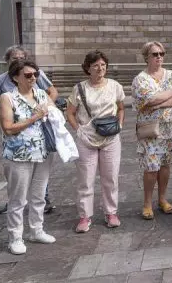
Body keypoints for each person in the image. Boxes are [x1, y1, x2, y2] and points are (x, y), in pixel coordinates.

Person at [0, 45, 58, 215]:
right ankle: (14, 203)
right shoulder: (2, 82)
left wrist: (46, 108)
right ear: (8, 62)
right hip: (15, 138)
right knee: (17, 179)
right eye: (15, 58)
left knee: (39, 170)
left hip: (38, 134)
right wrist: (0, 112)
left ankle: (45, 199)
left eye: (22, 57)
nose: (32, 77)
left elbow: (52, 92)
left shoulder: (36, 76)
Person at [0, 60, 56, 254]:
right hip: (18, 154)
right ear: (16, 77)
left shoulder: (41, 94)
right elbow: (7, 128)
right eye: (28, 75)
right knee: (17, 198)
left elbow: (53, 114)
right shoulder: (8, 98)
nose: (33, 78)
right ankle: (15, 237)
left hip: (43, 152)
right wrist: (34, 117)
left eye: (35, 74)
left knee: (39, 195)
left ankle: (36, 230)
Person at [66, 50, 125, 232]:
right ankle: (85, 216)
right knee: (85, 179)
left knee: (111, 177)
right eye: (95, 66)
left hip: (111, 137)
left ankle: (111, 212)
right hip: (87, 138)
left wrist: (120, 125)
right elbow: (70, 112)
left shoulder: (115, 86)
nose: (100, 69)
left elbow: (121, 108)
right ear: (88, 68)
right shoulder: (80, 88)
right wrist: (79, 130)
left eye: (103, 65)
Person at [131, 41, 172, 220]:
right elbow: (149, 99)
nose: (159, 57)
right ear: (146, 57)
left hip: (170, 128)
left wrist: (160, 102)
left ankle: (162, 198)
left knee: (165, 165)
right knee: (151, 167)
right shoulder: (140, 79)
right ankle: (147, 202)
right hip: (151, 130)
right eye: (155, 54)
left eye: (161, 53)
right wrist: (171, 92)